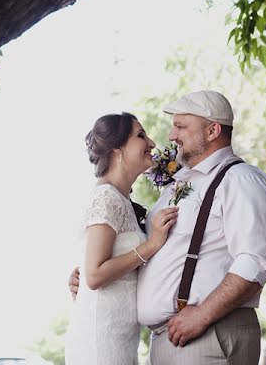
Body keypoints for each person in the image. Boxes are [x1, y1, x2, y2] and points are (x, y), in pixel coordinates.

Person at [69, 90, 266, 365]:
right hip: (170, 340)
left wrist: (203, 314)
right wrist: (92, 278)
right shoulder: (179, 185)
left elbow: (256, 260)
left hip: (207, 334)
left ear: (212, 130)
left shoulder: (240, 180)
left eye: (181, 126)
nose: (170, 136)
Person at [64, 112, 180, 365]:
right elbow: (94, 276)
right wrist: (151, 245)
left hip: (121, 335)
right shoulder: (105, 197)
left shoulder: (122, 201)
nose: (151, 143)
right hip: (101, 337)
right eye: (140, 136)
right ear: (117, 149)